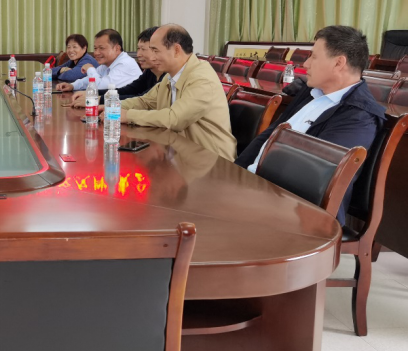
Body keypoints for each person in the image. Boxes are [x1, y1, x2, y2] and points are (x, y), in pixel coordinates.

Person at [236, 25, 385, 223]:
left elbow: (315, 176)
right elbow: (269, 135)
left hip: (299, 212)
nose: (305, 64)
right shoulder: (311, 92)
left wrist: (251, 190)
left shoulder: (359, 116)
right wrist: (236, 174)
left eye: (313, 57)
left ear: (339, 63)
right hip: (259, 190)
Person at [117, 24, 237, 161]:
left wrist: (128, 115)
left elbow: (174, 119)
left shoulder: (202, 79)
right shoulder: (171, 76)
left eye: (155, 51)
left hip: (213, 162)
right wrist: (112, 107)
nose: (152, 57)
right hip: (182, 155)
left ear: (176, 50)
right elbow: (145, 101)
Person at [71, 27, 163, 107]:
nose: (138, 54)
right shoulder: (149, 72)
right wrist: (92, 94)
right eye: (138, 49)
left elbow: (141, 100)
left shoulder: (125, 63)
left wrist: (96, 99)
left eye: (143, 49)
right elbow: (128, 90)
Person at [56, 29, 141, 92]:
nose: (96, 53)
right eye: (95, 48)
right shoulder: (107, 63)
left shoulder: (124, 64)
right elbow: (90, 80)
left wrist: (90, 69)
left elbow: (100, 87)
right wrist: (72, 86)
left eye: (101, 48)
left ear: (117, 48)